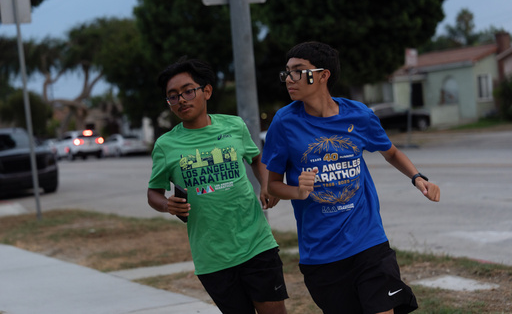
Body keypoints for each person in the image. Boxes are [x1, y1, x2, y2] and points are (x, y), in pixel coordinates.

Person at [261, 42, 441, 314]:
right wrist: (297, 191)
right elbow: (273, 184)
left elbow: (390, 152)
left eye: (298, 71)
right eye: (286, 72)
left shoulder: (359, 114)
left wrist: (417, 177)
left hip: (369, 243)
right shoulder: (284, 123)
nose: (289, 79)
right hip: (321, 254)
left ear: (323, 75)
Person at [147, 58, 288, 314]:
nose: (181, 100)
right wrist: (167, 204)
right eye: (173, 96)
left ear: (207, 91)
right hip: (212, 255)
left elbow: (257, 158)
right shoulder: (165, 145)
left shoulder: (234, 126)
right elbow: (153, 193)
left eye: (188, 91)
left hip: (256, 242)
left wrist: (265, 184)